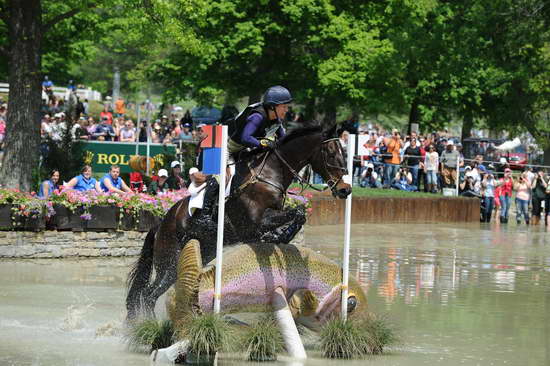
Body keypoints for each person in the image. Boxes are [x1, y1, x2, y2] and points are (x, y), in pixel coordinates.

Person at [227, 85, 291, 171]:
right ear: (272, 107)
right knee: (227, 176)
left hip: (246, 152)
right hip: (230, 150)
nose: (287, 110)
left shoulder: (276, 121)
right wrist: (265, 143)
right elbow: (245, 138)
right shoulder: (257, 117)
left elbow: (283, 140)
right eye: (284, 107)